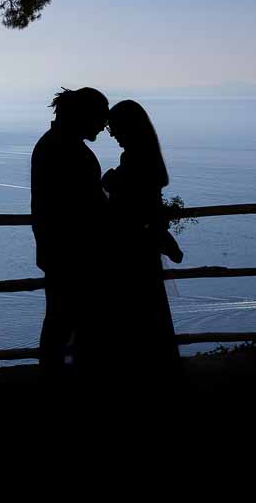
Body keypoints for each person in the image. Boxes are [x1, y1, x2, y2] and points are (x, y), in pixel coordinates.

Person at [101, 99, 184, 385]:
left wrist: (110, 179)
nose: (113, 135)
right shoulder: (149, 155)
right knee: (150, 308)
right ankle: (156, 368)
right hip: (144, 245)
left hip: (131, 246)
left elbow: (122, 194)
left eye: (115, 129)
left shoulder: (134, 159)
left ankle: (139, 371)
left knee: (134, 309)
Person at [30, 87, 110, 379]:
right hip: (73, 253)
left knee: (61, 321)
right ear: (83, 116)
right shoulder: (67, 150)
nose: (104, 125)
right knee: (69, 321)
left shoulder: (53, 144)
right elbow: (87, 206)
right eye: (100, 118)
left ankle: (56, 377)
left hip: (58, 251)